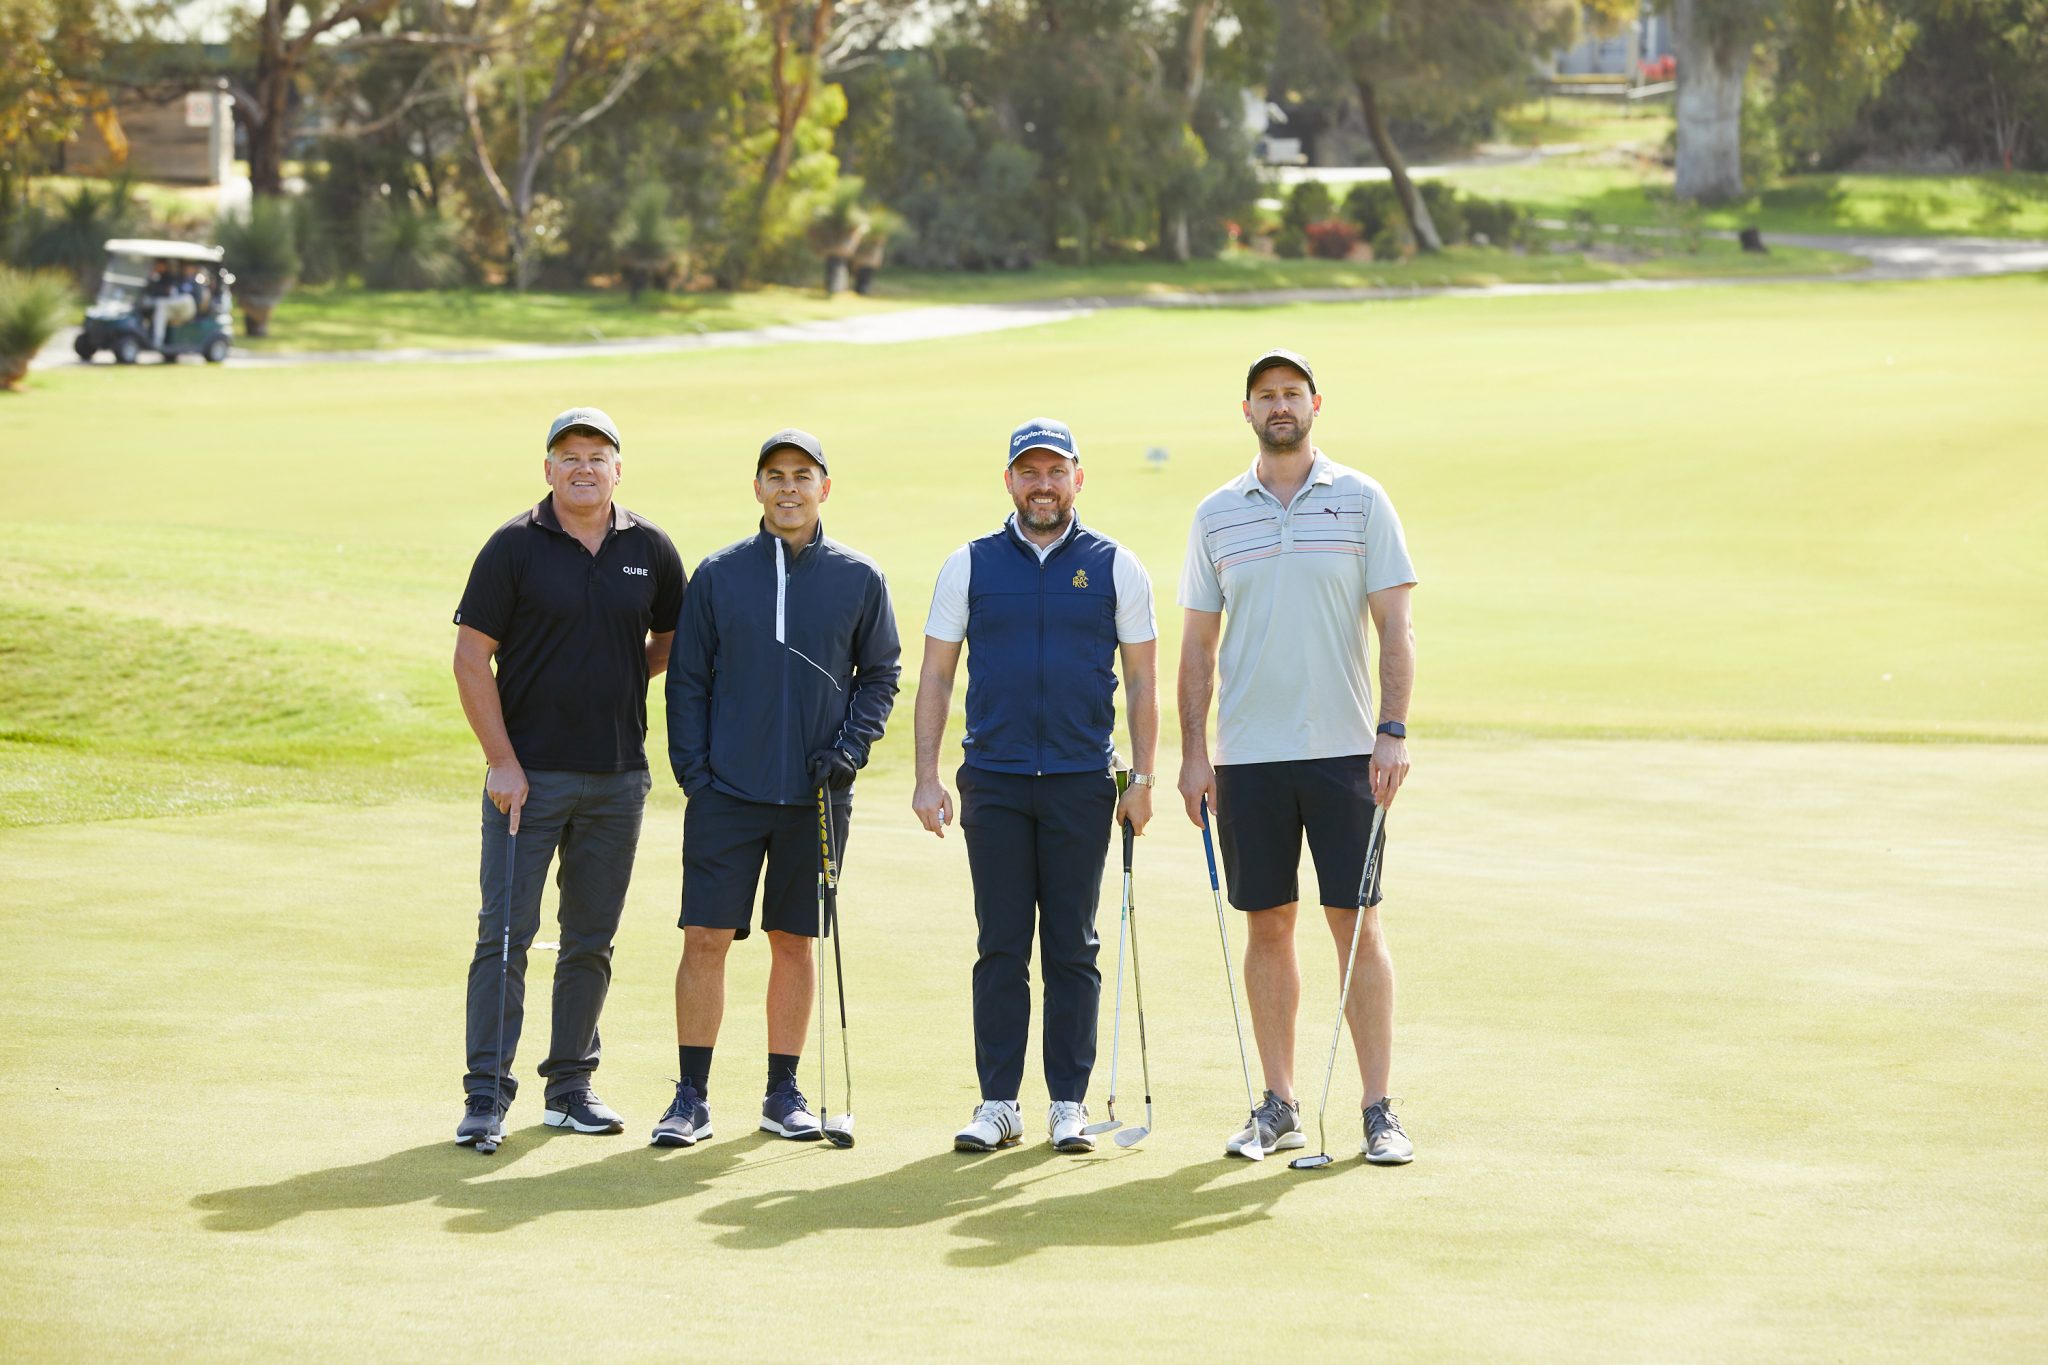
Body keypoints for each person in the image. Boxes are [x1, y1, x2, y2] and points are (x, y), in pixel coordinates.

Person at [1177, 349, 1420, 1165]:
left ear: (1316, 403)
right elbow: (1197, 645)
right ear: (1246, 410)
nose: (1279, 405)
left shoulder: (1362, 499)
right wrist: (1194, 753)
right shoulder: (1216, 513)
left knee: (1357, 924)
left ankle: (1378, 1108)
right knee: (1269, 923)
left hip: (1346, 752)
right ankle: (1279, 1104)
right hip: (1248, 757)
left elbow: (1396, 626)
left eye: (1291, 393)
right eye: (1265, 395)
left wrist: (1393, 729)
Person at [913, 418, 1159, 1155]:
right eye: (1030, 471)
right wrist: (926, 775)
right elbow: (936, 674)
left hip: (1082, 780)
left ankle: (1067, 1104)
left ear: (1078, 478)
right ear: (1010, 481)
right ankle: (998, 1103)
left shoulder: (1116, 565)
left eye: (1056, 471)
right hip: (994, 779)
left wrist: (1143, 778)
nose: (1043, 485)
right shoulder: (970, 564)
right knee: (1000, 944)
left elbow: (1143, 679)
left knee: (1073, 946)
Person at [655, 429, 901, 1148]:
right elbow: (687, 681)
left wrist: (850, 750)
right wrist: (695, 775)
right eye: (775, 475)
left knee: (794, 941)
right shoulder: (718, 574)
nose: (788, 487)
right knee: (705, 938)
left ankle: (782, 1092)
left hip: (817, 797)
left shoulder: (860, 577)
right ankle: (691, 1096)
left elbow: (880, 674)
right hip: (726, 795)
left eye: (802, 474)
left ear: (824, 487)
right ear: (757, 488)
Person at [451, 406, 686, 1149]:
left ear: (618, 468)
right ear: (548, 469)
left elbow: (671, 638)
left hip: (618, 779)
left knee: (590, 939)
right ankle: (486, 1096)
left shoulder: (649, 547)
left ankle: (570, 1087)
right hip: (529, 779)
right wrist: (502, 760)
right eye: (570, 457)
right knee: (505, 937)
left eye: (597, 456)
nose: (584, 469)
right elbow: (470, 657)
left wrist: (621, 671)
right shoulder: (514, 546)